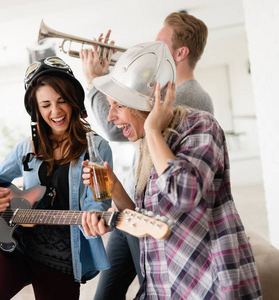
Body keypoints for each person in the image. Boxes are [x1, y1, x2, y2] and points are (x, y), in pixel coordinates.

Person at [81, 41, 261, 299]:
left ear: (149, 102)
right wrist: (115, 189)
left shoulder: (200, 125)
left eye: (118, 106)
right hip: (164, 286)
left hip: (211, 287)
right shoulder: (146, 145)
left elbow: (183, 194)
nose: (110, 117)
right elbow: (150, 225)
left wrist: (153, 129)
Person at [80, 11, 214, 300]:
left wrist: (94, 82)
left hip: (161, 222)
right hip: (136, 208)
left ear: (180, 53)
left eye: (159, 46)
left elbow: (117, 130)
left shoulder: (186, 100)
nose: (153, 53)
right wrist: (115, 189)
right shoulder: (149, 121)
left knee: (151, 286)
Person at [0, 56, 113, 300]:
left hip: (63, 257)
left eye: (62, 101)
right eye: (45, 105)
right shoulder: (26, 147)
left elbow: (99, 203)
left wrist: (95, 219)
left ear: (75, 101)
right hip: (15, 243)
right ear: (36, 109)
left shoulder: (98, 148)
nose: (55, 112)